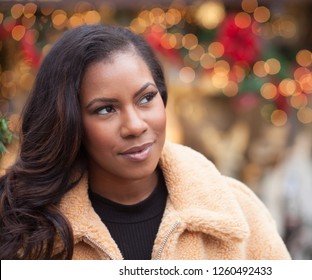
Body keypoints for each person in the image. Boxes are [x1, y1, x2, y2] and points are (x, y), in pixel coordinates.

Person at [0, 24, 290, 260]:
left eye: (146, 98)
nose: (135, 126)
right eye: (105, 109)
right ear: (69, 121)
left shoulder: (238, 210)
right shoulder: (23, 228)